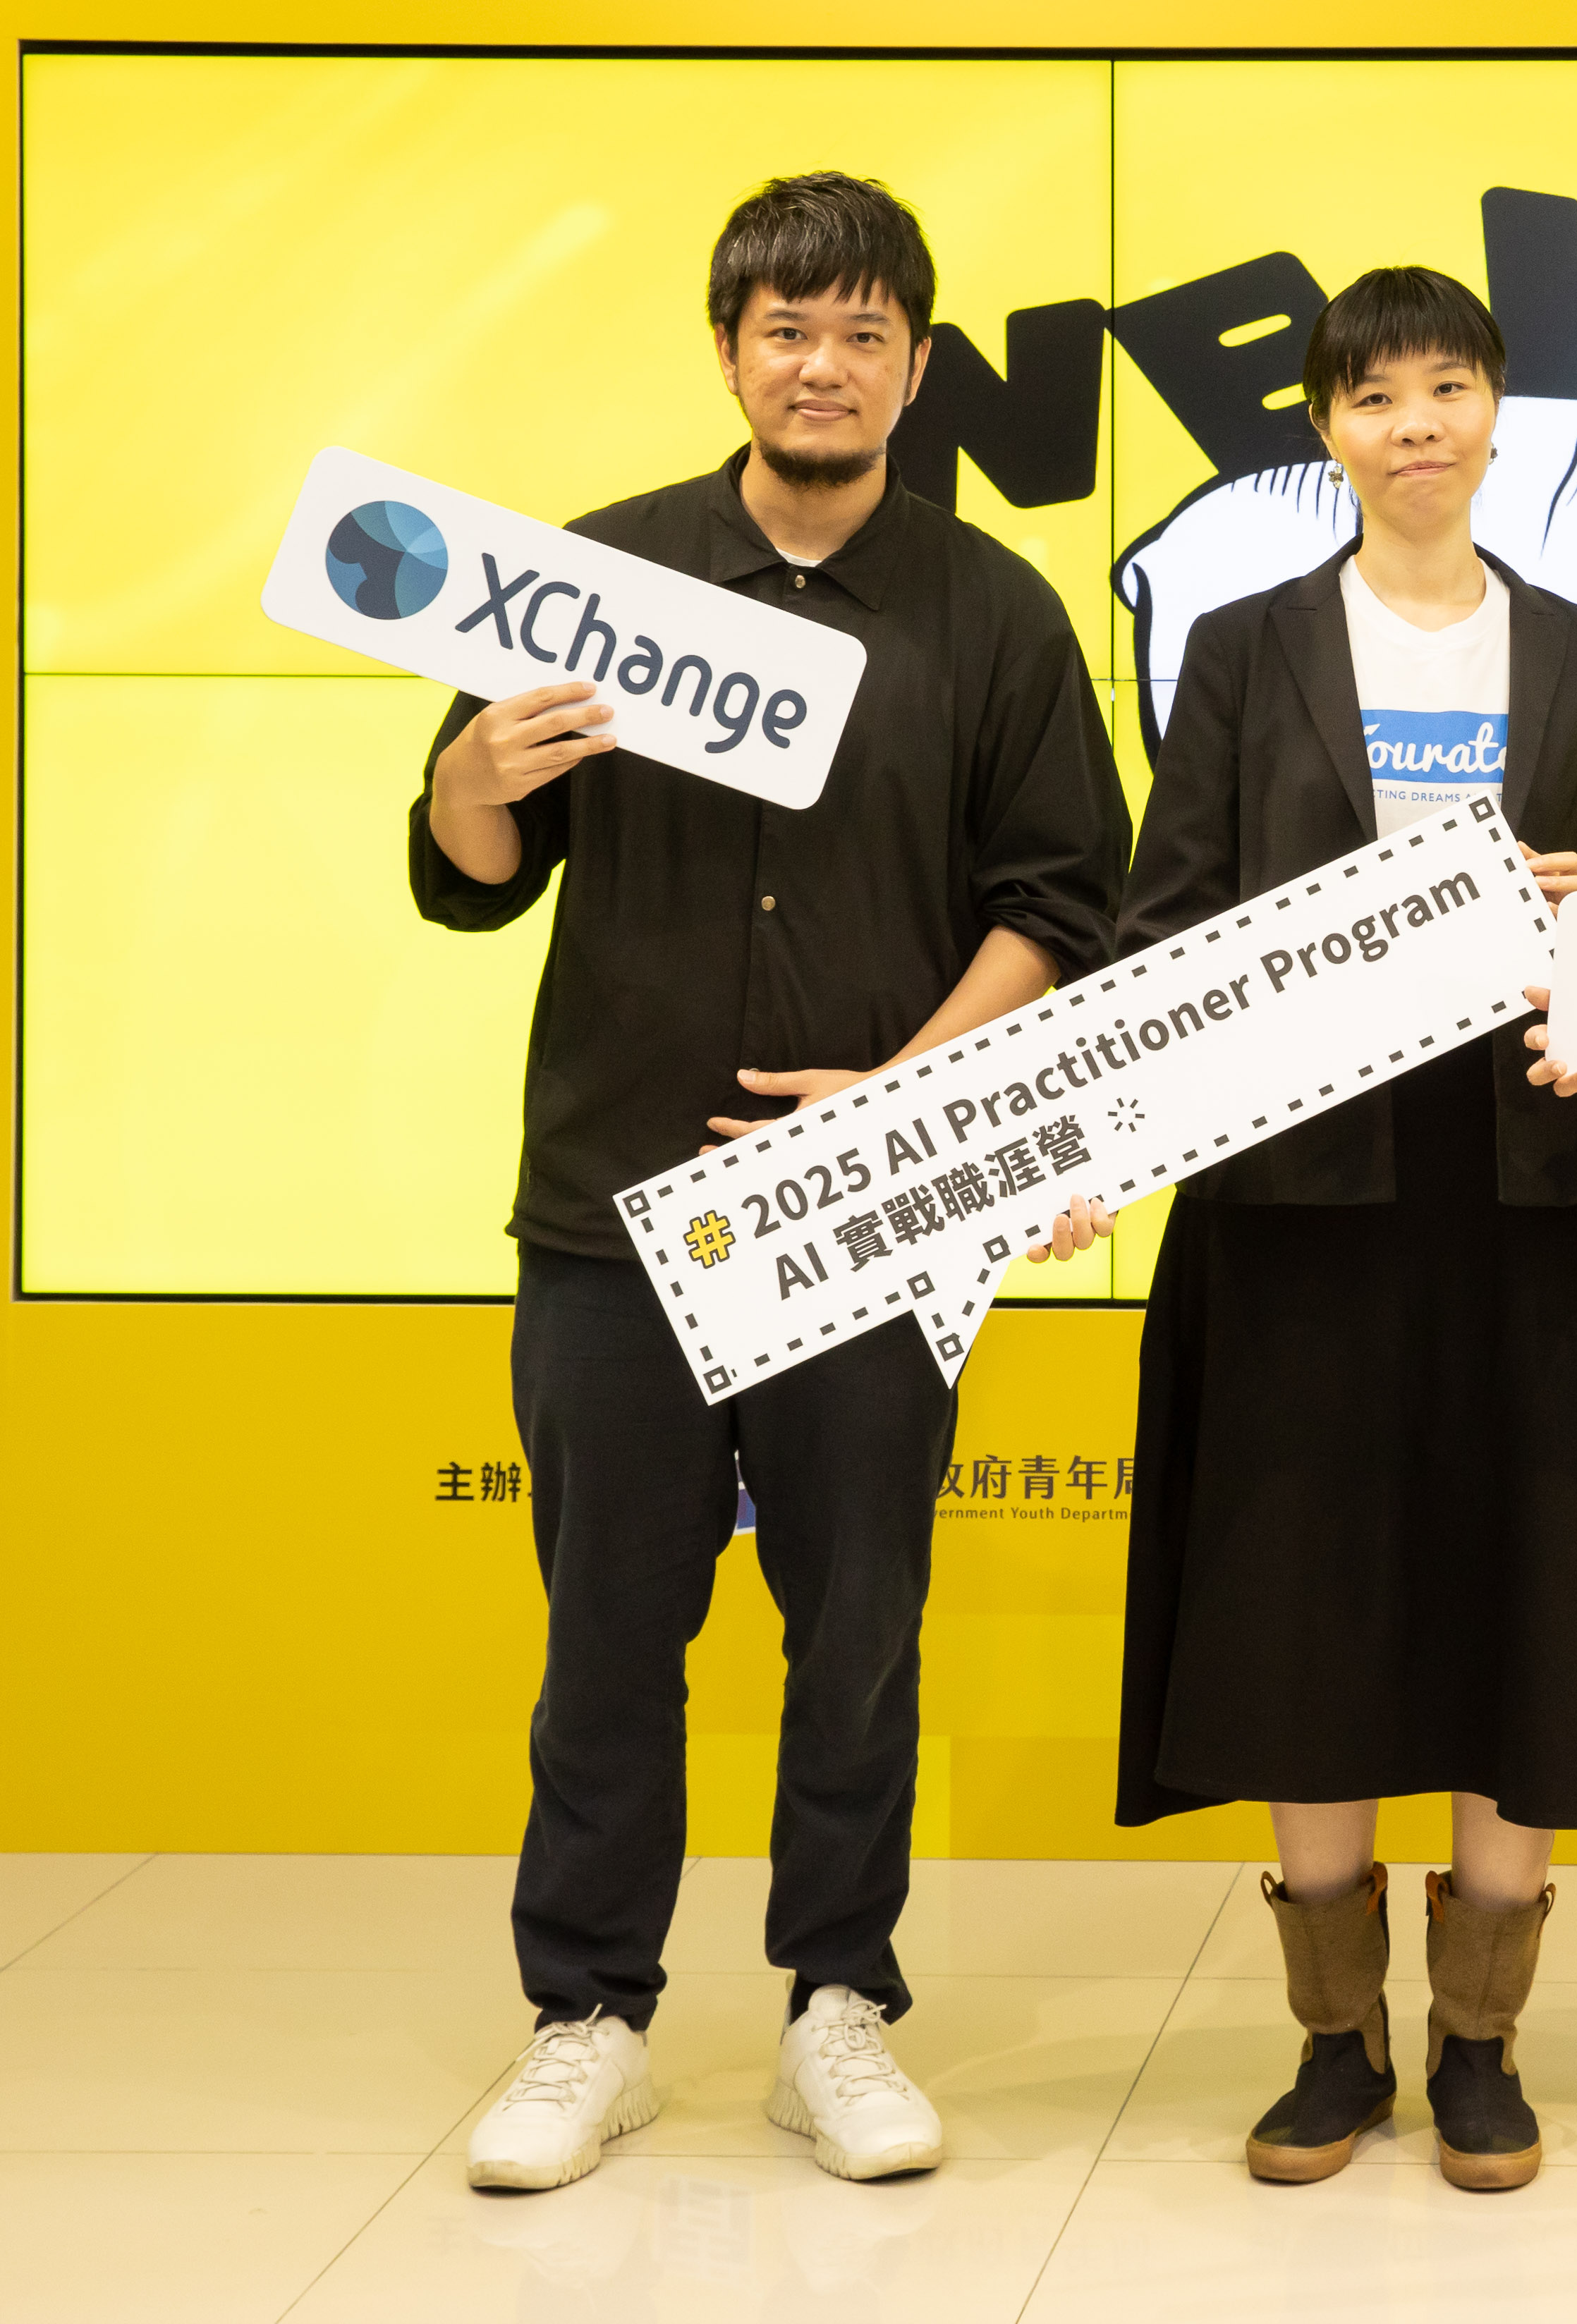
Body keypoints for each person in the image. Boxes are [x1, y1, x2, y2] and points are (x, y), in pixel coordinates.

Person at [418, 173, 1126, 2191]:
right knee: (606, 1631)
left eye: (863, 334)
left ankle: (839, 2003)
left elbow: (1058, 902)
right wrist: (473, 778)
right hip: (615, 1206)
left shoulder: (994, 611)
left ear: (918, 361)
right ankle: (589, 2017)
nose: (824, 367)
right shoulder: (599, 577)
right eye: (788, 332)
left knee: (860, 1624)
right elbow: (470, 873)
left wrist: (897, 1103)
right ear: (731, 352)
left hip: (872, 1215)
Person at [1033, 264, 1577, 2195]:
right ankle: (1336, 2046)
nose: (1415, 425)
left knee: (1524, 1606)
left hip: (1524, 1199)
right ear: (1327, 428)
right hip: (1295, 1205)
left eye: (1448, 387)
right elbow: (1168, 918)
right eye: (1375, 394)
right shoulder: (1244, 649)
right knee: (1301, 1606)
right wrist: (1097, 1127)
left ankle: (1481, 2043)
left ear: (1496, 414)